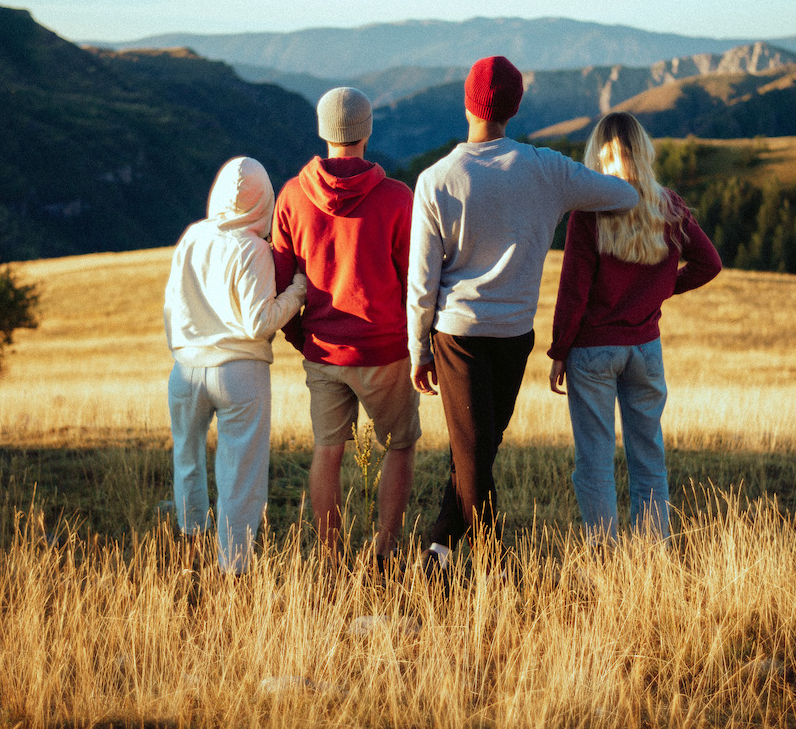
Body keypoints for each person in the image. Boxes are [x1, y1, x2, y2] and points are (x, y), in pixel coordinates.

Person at [408, 55, 639, 575]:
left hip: (457, 336)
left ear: (466, 102)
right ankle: (443, 555)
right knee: (477, 452)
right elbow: (623, 196)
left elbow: (421, 282)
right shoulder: (547, 169)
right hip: (515, 336)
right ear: (515, 108)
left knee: (474, 455)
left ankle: (489, 568)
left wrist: (417, 348)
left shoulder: (436, 180)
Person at [547, 112, 722, 543]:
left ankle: (605, 558)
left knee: (595, 461)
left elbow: (574, 290)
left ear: (599, 153)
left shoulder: (589, 213)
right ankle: (650, 558)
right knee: (648, 458)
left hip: (592, 352)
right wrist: (661, 290)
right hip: (646, 348)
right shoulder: (669, 206)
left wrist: (559, 351)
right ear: (643, 150)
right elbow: (709, 264)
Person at [271, 87, 419, 563]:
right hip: (386, 352)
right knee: (399, 447)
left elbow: (280, 278)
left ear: (322, 130)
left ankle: (332, 559)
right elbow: (413, 278)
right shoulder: (398, 198)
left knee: (327, 452)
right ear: (367, 130)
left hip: (323, 351)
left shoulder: (292, 196)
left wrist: (301, 336)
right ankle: (385, 551)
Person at [163, 156, 307, 574]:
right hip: (240, 373)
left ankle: (190, 547)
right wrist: (297, 290)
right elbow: (259, 322)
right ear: (265, 200)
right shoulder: (254, 248)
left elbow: (172, 306)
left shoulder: (192, 237)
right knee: (240, 476)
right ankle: (234, 570)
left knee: (187, 460)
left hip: (186, 370)